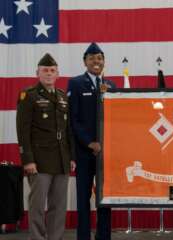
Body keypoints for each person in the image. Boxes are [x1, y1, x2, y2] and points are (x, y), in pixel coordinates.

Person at [16, 53, 76, 240]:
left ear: (58, 74)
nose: (49, 74)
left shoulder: (62, 97)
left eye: (52, 71)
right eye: (45, 71)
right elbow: (23, 131)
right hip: (39, 161)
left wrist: (71, 157)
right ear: (38, 73)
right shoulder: (29, 96)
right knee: (37, 205)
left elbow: (68, 130)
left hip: (61, 159)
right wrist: (28, 160)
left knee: (58, 206)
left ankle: (55, 237)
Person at [67, 42, 116, 240]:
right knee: (83, 200)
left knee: (105, 199)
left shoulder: (111, 85)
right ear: (85, 62)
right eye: (92, 58)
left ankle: (103, 236)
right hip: (84, 152)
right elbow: (74, 120)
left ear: (103, 61)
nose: (96, 61)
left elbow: (116, 118)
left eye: (99, 58)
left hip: (106, 153)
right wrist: (90, 143)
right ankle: (84, 237)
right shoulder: (76, 83)